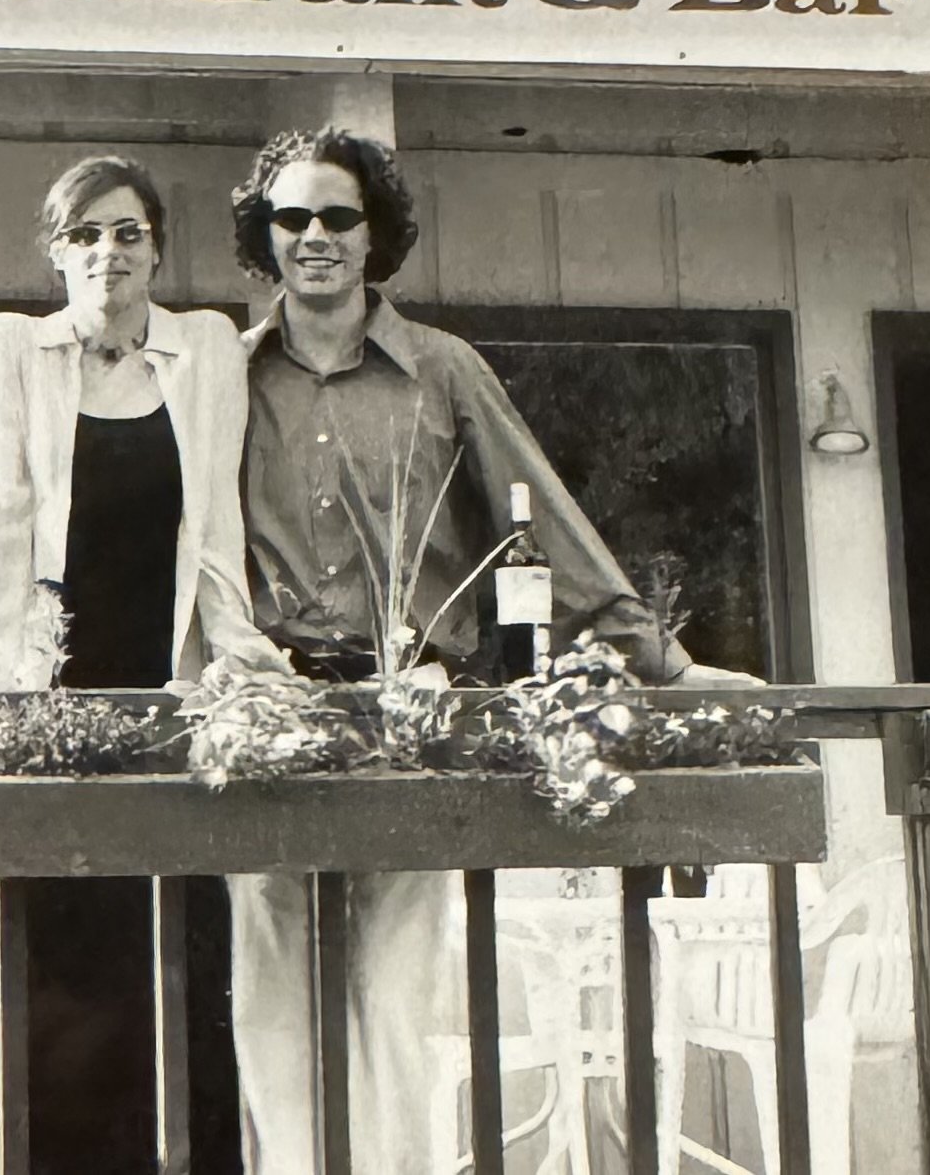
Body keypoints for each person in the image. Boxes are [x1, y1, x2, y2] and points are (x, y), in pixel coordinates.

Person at [222, 126, 754, 1175]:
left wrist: (663, 663)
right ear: (264, 236)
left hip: (415, 718)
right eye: (293, 219)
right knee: (276, 1009)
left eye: (339, 216)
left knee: (395, 1001)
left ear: (376, 236)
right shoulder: (227, 375)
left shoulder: (443, 370)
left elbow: (541, 520)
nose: (315, 237)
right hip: (274, 721)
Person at [0, 153, 285, 1175]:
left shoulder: (207, 351)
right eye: (84, 233)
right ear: (54, 250)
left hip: (172, 721)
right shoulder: (13, 354)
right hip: (53, 721)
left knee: (175, 989)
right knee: (51, 1004)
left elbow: (217, 543)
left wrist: (246, 673)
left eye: (126, 231)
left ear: (157, 246)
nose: (107, 251)